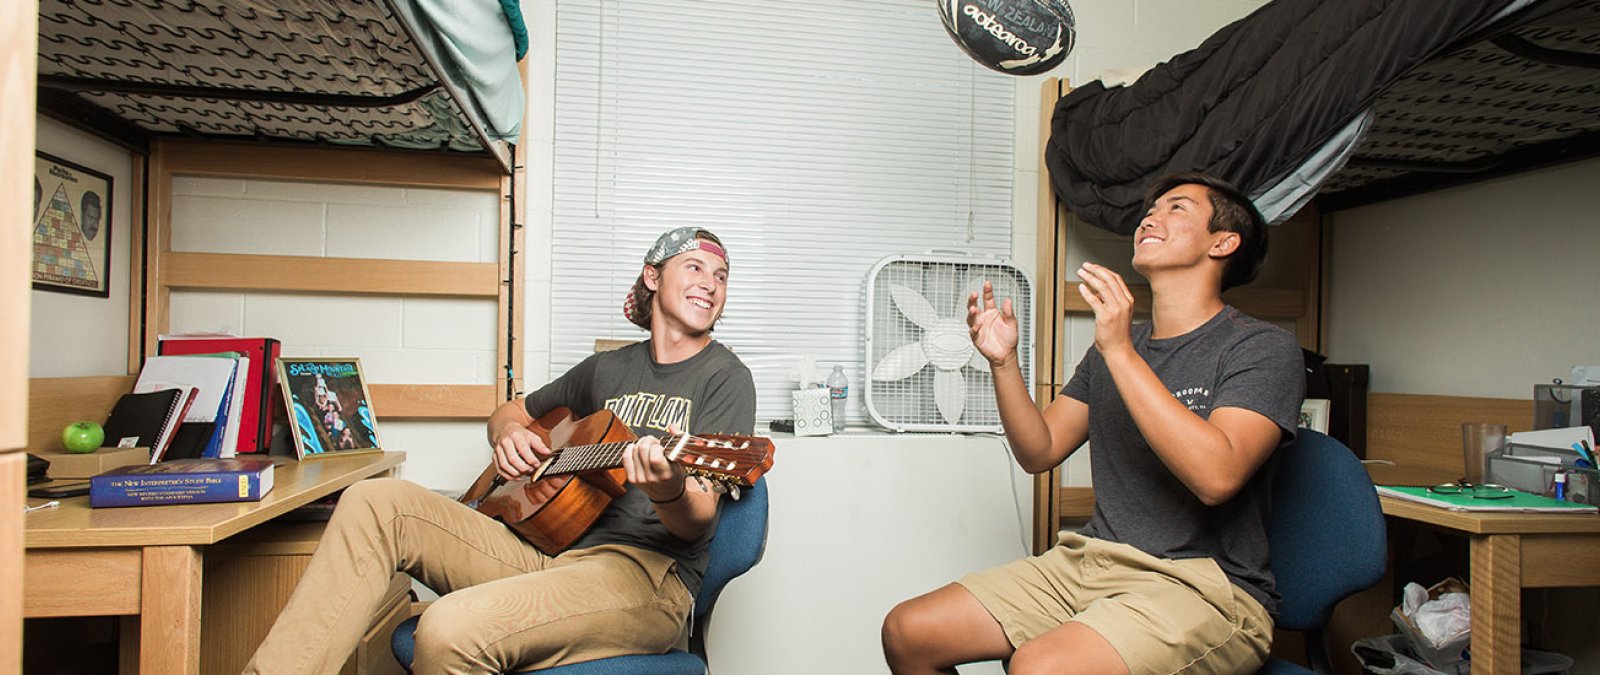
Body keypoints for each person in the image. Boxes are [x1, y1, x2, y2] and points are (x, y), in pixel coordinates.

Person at [245, 226, 756, 674]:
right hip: (546, 550)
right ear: (652, 277)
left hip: (642, 576)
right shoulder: (606, 369)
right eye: (695, 267)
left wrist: (667, 490)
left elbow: (698, 517)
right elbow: (511, 411)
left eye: (722, 276)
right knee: (373, 502)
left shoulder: (726, 378)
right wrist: (508, 435)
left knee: (445, 629)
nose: (710, 283)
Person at [881, 172, 1304, 674]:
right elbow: (1040, 451)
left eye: (1178, 208)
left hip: (1206, 589)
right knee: (909, 633)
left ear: (1223, 242)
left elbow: (1217, 477)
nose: (1151, 215)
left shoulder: (1259, 348)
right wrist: (1001, 362)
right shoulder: (1114, 348)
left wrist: (1120, 350)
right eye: (1152, 208)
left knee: (1038, 668)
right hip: (1091, 562)